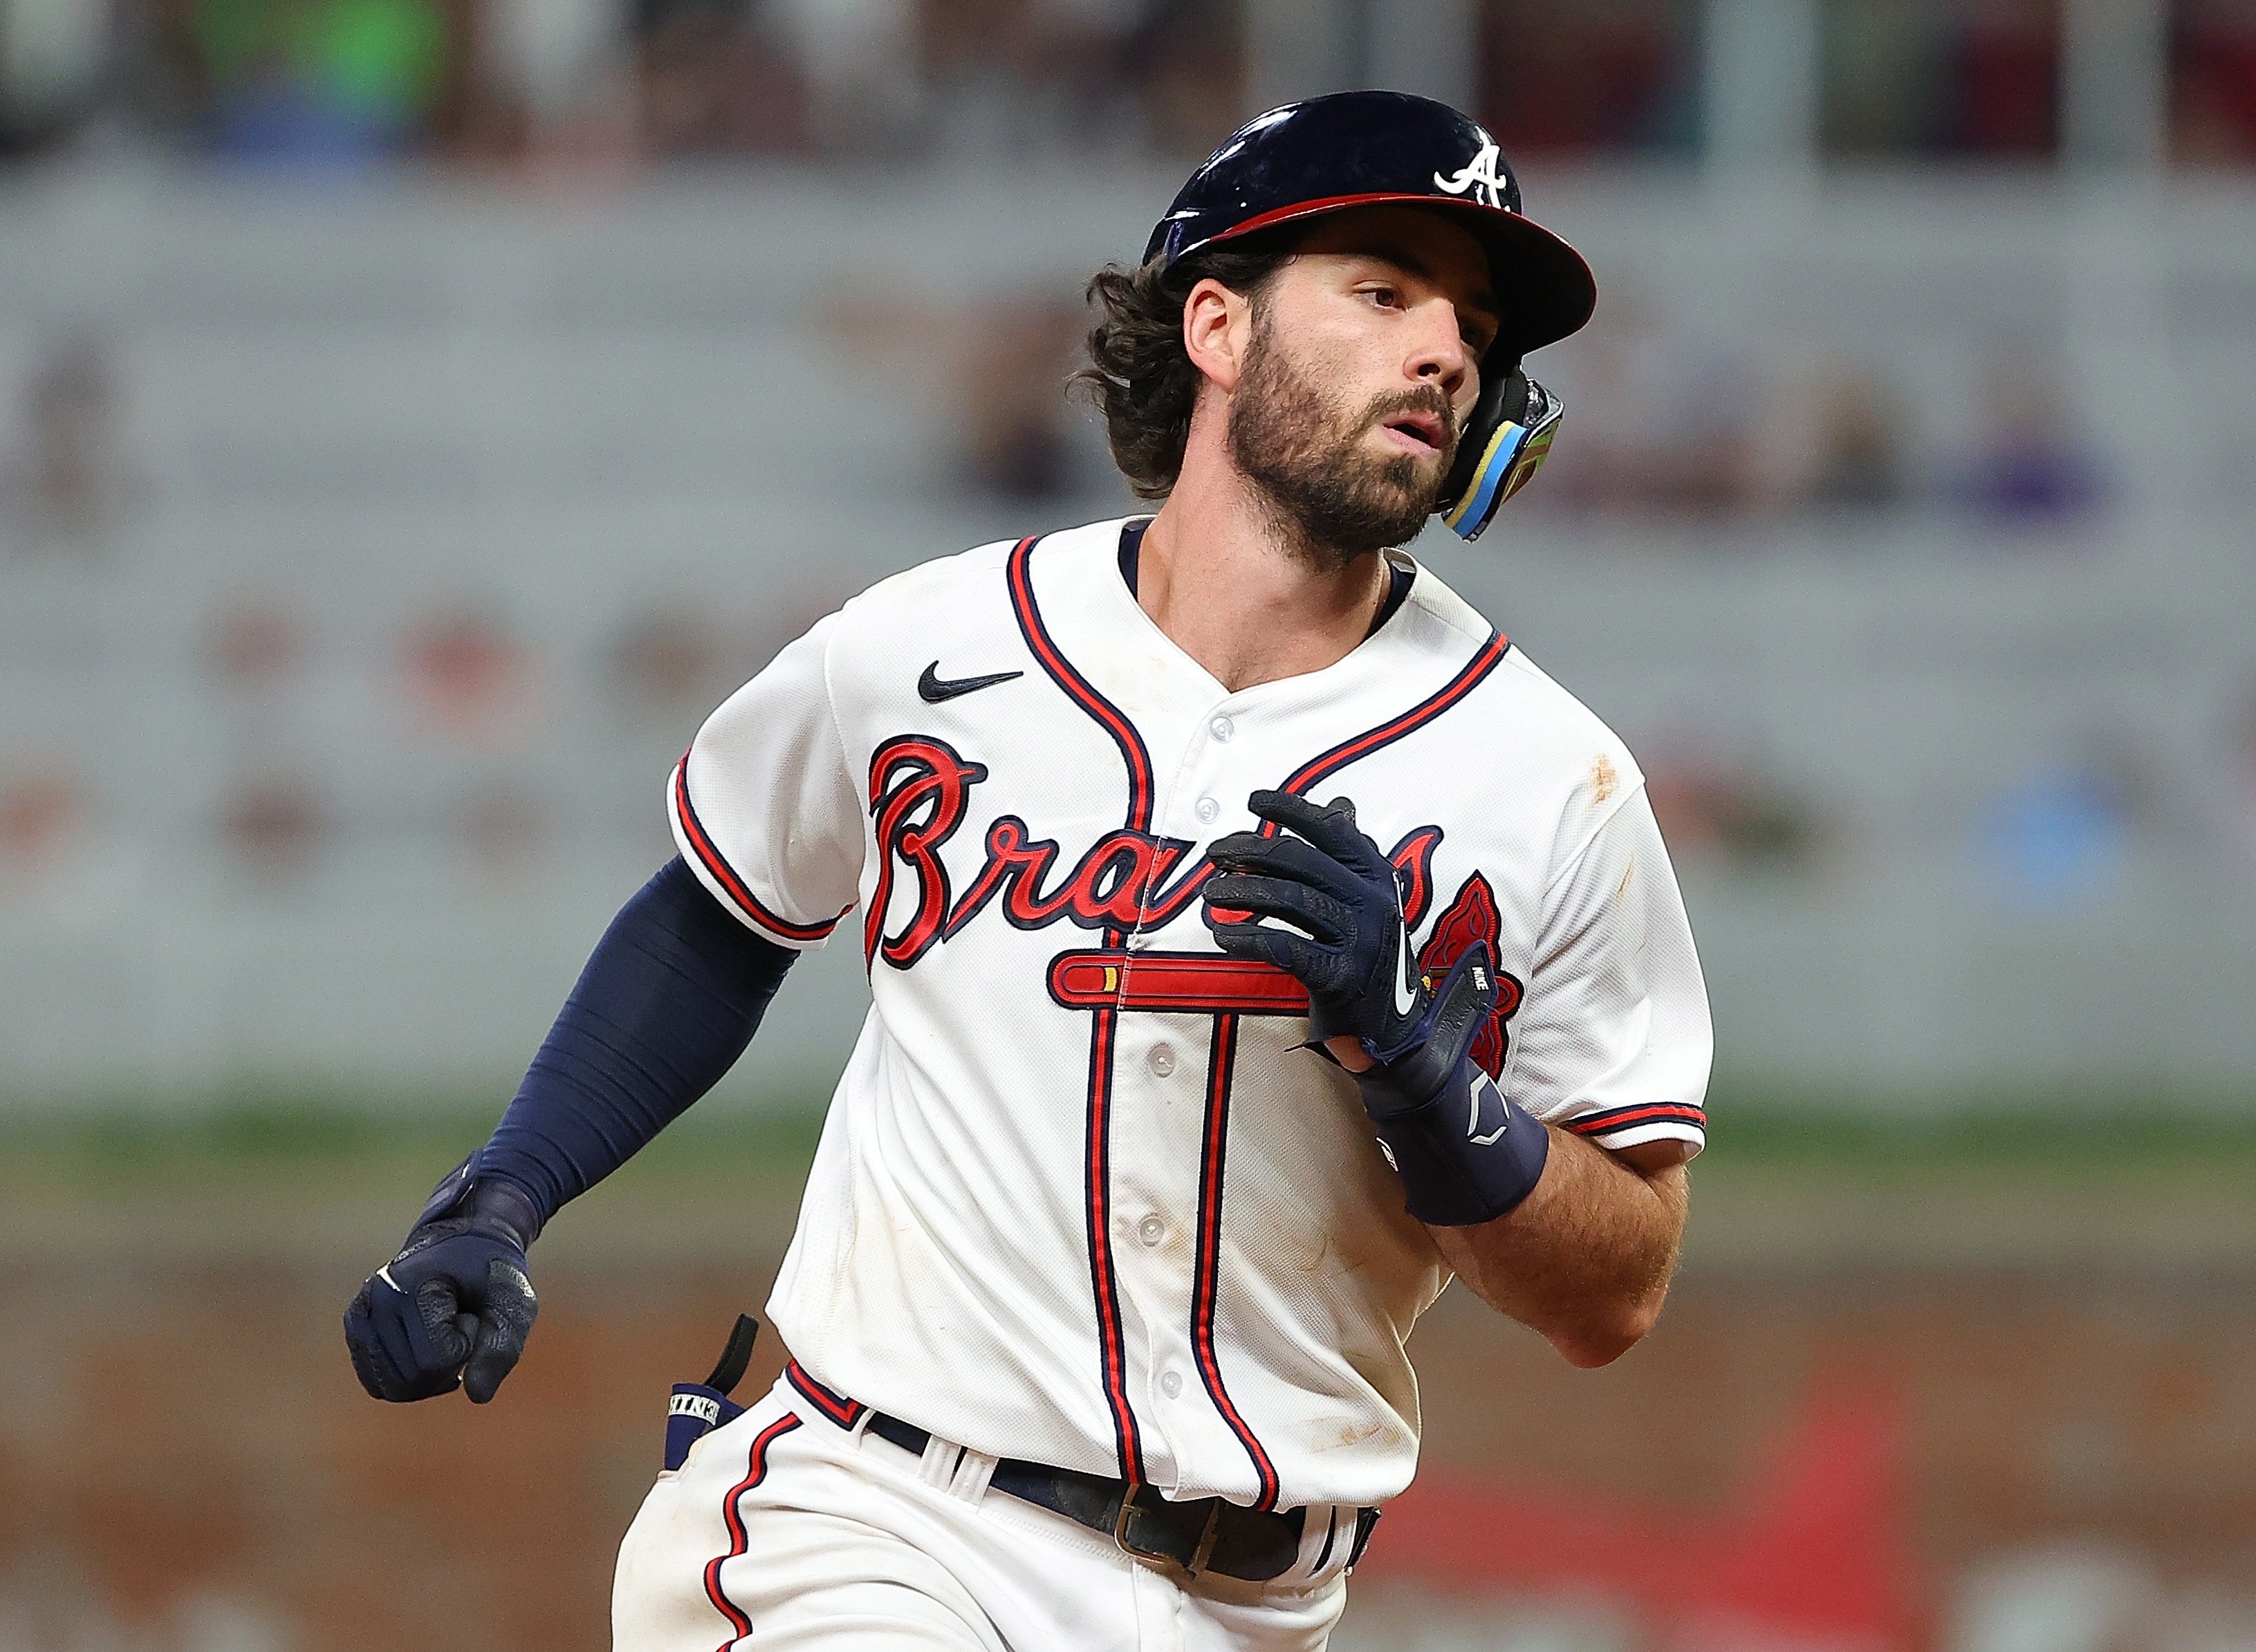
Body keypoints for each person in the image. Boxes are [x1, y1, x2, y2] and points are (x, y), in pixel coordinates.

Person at [343, 90, 1712, 1650]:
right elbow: (720, 918)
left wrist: (1427, 1087)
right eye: (1382, 291)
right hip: (871, 1518)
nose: (1445, 354)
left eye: (1473, 326)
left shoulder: (1547, 778)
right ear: (1215, 322)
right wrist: (502, 1197)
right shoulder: (932, 643)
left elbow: (1617, 1289)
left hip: (1256, 1604)